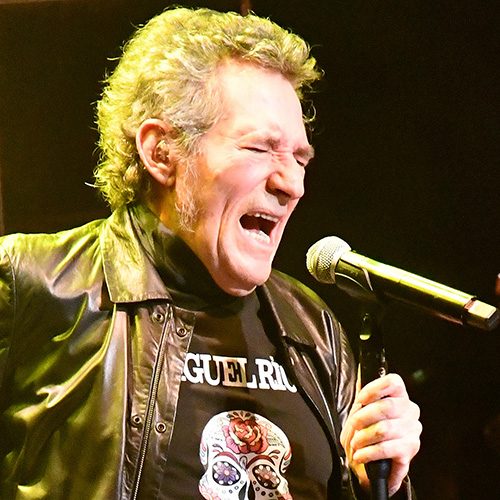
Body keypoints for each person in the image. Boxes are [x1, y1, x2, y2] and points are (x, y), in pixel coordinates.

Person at [0, 7, 421, 500]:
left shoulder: (313, 328)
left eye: (299, 158)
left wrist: (382, 485)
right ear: (161, 153)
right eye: (260, 149)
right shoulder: (32, 283)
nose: (292, 184)